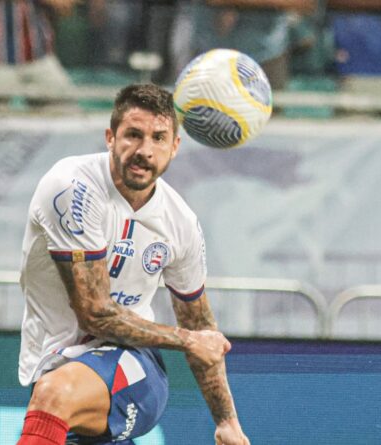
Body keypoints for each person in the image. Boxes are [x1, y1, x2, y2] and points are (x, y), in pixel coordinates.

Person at [16, 84, 249, 445]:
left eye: (159, 138)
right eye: (133, 135)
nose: (145, 151)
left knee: (54, 394)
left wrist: (227, 422)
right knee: (54, 390)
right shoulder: (72, 188)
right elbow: (94, 313)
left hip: (134, 367)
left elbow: (200, 324)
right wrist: (188, 340)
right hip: (56, 359)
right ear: (110, 137)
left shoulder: (180, 223)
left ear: (175, 147)